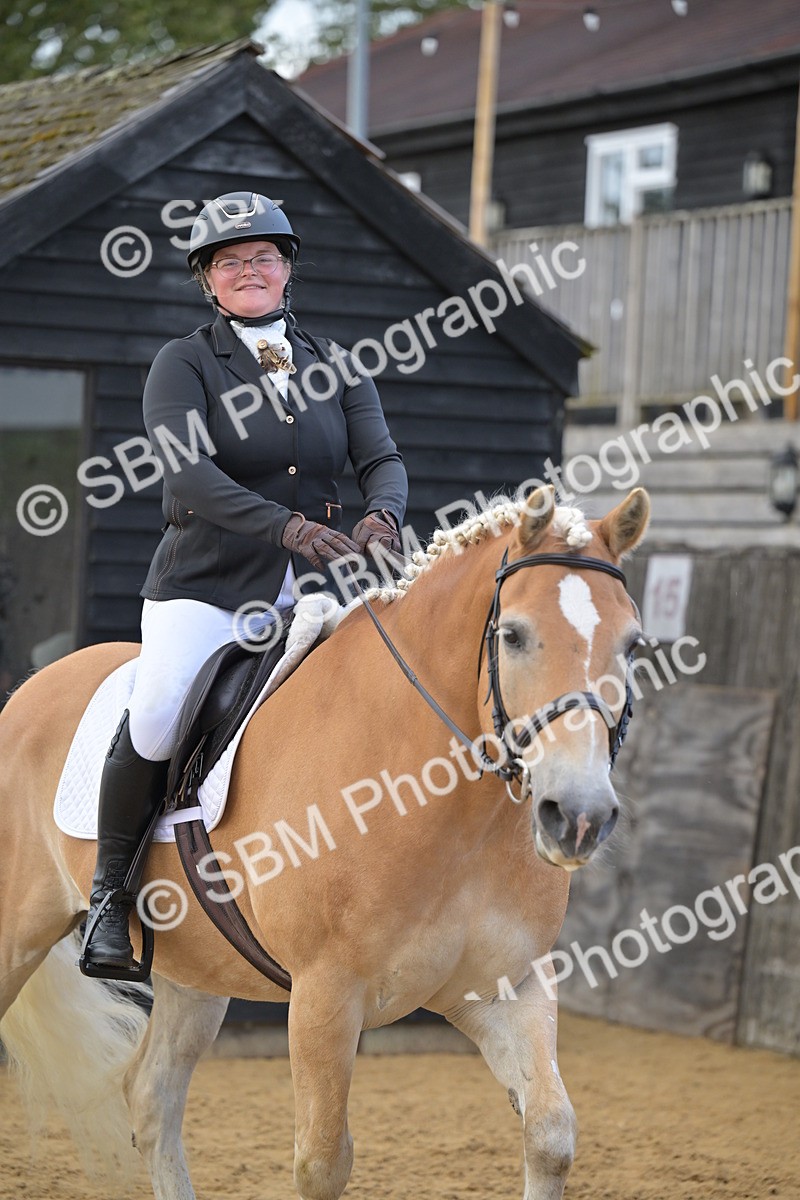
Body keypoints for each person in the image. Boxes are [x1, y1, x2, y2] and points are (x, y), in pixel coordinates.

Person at [81, 191, 408, 973]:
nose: (249, 270)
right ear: (209, 281)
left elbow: (381, 459)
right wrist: (288, 528)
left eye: (263, 256)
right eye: (230, 262)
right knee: (157, 716)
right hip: (208, 586)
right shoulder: (185, 362)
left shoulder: (338, 364)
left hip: (322, 587)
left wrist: (383, 518)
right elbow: (188, 475)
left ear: (288, 269)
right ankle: (109, 898)